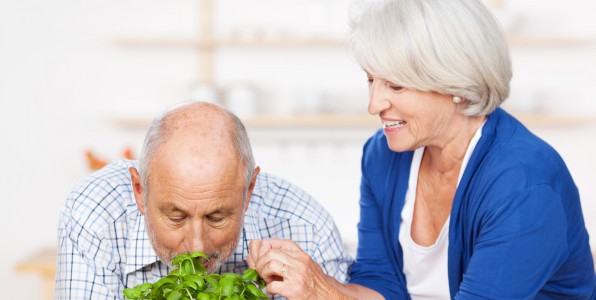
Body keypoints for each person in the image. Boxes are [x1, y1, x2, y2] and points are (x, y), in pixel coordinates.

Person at [247, 0, 596, 299]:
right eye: (371, 80)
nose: (374, 104)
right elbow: (381, 284)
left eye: (395, 85)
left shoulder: (524, 183)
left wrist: (325, 290)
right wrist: (312, 285)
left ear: (455, 84)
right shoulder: (383, 156)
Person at [54, 101, 352, 299]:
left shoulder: (307, 227)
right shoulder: (95, 214)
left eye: (217, 217)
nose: (197, 246)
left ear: (248, 191)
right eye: (176, 217)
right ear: (139, 191)